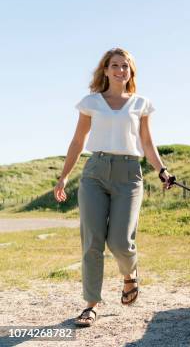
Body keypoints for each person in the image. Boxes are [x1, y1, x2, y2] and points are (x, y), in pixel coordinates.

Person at [53, 47, 173, 327]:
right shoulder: (91, 102)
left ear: (131, 72)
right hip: (95, 172)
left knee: (120, 241)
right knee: (92, 240)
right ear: (105, 70)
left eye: (125, 66)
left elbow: (146, 142)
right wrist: (64, 176)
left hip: (129, 174)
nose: (120, 70)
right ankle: (91, 304)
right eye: (115, 65)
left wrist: (162, 170)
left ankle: (130, 275)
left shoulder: (140, 103)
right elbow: (78, 140)